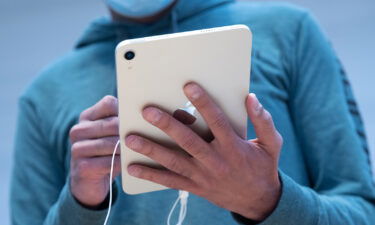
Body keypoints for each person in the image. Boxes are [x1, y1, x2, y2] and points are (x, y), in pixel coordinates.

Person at [10, 0, 375, 224]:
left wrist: (269, 201)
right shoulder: (43, 96)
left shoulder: (289, 33)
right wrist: (81, 205)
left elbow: (364, 213)